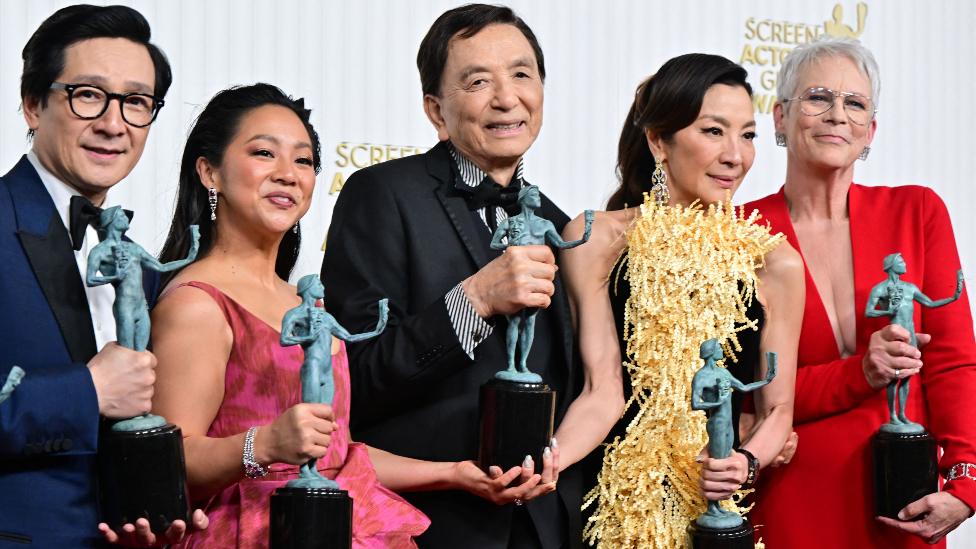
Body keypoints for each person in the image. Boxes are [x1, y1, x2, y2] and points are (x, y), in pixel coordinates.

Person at [152, 83, 543, 548]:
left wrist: (455, 473)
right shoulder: (196, 302)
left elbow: (339, 454)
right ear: (208, 171)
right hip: (249, 534)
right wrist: (265, 444)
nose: (287, 174)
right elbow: (168, 462)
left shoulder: (307, 303)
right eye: (263, 154)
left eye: (302, 161)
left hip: (339, 524)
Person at [321, 5, 580, 547]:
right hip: (427, 524)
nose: (507, 97)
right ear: (436, 110)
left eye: (521, 74)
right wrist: (475, 300)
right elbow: (357, 382)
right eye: (478, 81)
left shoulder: (560, 223)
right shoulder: (382, 195)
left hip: (546, 526)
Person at [559, 54, 803, 548]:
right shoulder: (596, 238)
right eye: (714, 131)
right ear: (657, 141)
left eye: (748, 134)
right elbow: (602, 391)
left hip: (714, 512)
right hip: (608, 506)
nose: (736, 155)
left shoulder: (775, 263)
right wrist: (543, 464)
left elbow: (777, 411)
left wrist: (745, 462)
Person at [742, 36, 976, 548]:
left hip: (905, 504)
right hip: (790, 504)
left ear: (870, 130)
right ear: (780, 117)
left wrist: (965, 481)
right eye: (818, 97)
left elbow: (954, 363)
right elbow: (746, 396)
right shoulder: (740, 231)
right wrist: (860, 372)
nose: (837, 116)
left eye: (855, 104)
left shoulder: (918, 211)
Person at [0, 5, 205, 547]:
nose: (114, 124)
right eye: (88, 94)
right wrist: (87, 390)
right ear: (32, 105)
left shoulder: (139, 263)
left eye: (136, 102)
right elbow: (96, 396)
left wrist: (158, 506)